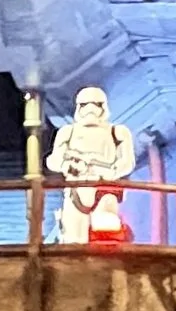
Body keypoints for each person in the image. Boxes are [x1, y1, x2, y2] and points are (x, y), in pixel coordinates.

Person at [48, 86, 135, 244]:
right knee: (73, 239)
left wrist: (111, 171)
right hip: (76, 188)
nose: (90, 109)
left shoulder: (118, 132)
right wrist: (67, 165)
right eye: (85, 104)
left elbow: (127, 162)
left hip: (106, 188)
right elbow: (53, 160)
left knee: (106, 233)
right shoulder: (68, 132)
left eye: (96, 104)